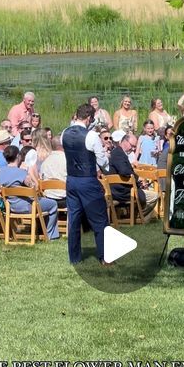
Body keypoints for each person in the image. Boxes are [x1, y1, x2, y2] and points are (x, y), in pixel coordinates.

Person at [62, 103, 109, 265]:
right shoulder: (91, 136)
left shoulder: (64, 133)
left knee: (74, 220)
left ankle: (74, 258)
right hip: (87, 180)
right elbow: (102, 159)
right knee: (100, 220)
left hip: (71, 180)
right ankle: (105, 257)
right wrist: (106, 167)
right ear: (89, 118)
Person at [0, 145, 59, 240]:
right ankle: (50, 235)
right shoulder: (21, 173)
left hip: (11, 206)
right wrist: (28, 172)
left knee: (45, 203)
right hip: (28, 206)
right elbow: (34, 188)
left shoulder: (0, 172)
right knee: (53, 204)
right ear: (18, 156)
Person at [109, 133, 158, 217]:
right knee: (154, 196)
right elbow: (124, 171)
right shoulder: (118, 154)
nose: (133, 149)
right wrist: (138, 178)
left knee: (149, 193)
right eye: (132, 146)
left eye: (134, 147)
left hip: (123, 189)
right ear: (125, 141)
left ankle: (136, 216)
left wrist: (139, 182)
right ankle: (138, 217)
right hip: (121, 192)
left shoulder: (119, 152)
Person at [40, 136, 67, 208]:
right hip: (65, 199)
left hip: (48, 198)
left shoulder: (45, 161)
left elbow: (41, 178)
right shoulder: (67, 160)